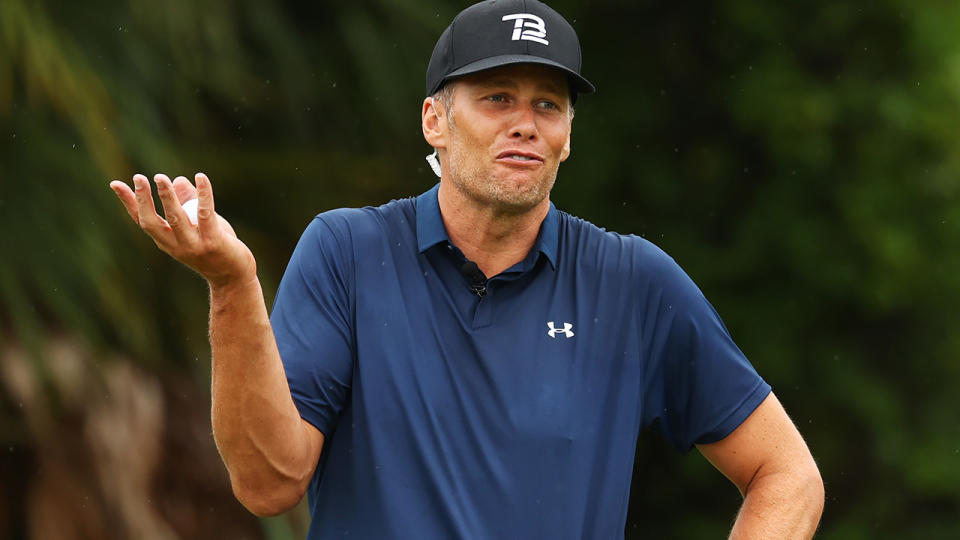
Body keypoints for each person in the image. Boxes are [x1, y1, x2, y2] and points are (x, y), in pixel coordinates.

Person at [110, 1, 824, 538]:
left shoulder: (632, 282)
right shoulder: (348, 254)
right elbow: (269, 482)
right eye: (497, 98)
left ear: (568, 137)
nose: (526, 122)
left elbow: (787, 473)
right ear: (434, 121)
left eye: (548, 104)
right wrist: (231, 286)